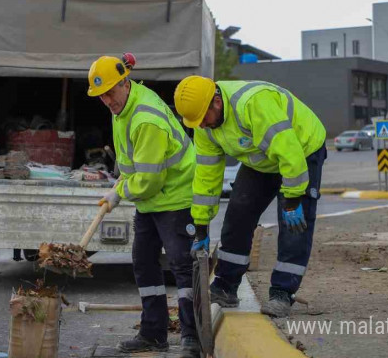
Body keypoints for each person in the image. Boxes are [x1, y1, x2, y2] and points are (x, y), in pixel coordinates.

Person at [173, 76, 327, 318]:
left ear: (216, 101)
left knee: (293, 224)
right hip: (261, 158)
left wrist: (294, 199)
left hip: (301, 149)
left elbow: (289, 151)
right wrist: (201, 226)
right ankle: (226, 285)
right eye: (196, 122)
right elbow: (206, 177)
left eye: (203, 118)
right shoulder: (203, 126)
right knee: (238, 213)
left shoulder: (253, 104)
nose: (201, 125)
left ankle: (282, 293)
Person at [88, 54, 201, 358]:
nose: (107, 100)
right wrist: (119, 185)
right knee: (143, 262)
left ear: (125, 83)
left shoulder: (145, 118)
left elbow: (149, 180)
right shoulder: (122, 107)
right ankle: (153, 334)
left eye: (111, 92)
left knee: (181, 265)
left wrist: (119, 192)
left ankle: (193, 337)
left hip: (176, 197)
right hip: (152, 201)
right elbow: (132, 162)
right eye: (101, 96)